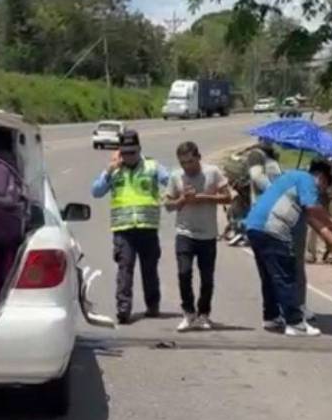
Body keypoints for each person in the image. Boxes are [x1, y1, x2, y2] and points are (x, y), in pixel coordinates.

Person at [245, 159, 332, 337]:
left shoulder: (290, 179)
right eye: (324, 187)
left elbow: (314, 221)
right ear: (321, 177)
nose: (321, 192)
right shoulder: (306, 180)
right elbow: (314, 208)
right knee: (286, 277)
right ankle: (295, 323)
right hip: (273, 230)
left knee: (270, 277)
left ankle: (271, 316)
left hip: (255, 227)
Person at [92, 129, 171, 324]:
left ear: (139, 150)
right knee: (124, 270)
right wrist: (108, 170)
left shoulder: (152, 167)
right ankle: (123, 309)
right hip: (123, 230)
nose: (129, 157)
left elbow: (171, 181)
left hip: (147, 228)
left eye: (133, 152)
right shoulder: (114, 170)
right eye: (125, 153)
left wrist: (170, 195)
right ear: (120, 152)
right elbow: (96, 191)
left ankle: (153, 306)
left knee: (149, 270)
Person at [163, 141, 233, 332]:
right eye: (183, 162)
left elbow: (228, 197)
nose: (188, 166)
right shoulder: (176, 176)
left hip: (208, 234)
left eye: (191, 161)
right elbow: (168, 205)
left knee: (207, 278)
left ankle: (204, 314)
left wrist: (202, 198)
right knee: (184, 273)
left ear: (198, 157)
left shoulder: (213, 172)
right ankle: (188, 312)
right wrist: (182, 200)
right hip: (185, 232)